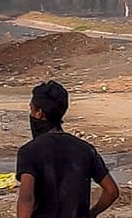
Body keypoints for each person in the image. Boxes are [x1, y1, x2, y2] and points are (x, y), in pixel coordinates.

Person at [15, 81, 119, 218]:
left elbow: (26, 197)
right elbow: (111, 191)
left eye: (32, 109)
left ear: (39, 113)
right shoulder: (85, 149)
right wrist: (91, 214)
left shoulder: (29, 151)